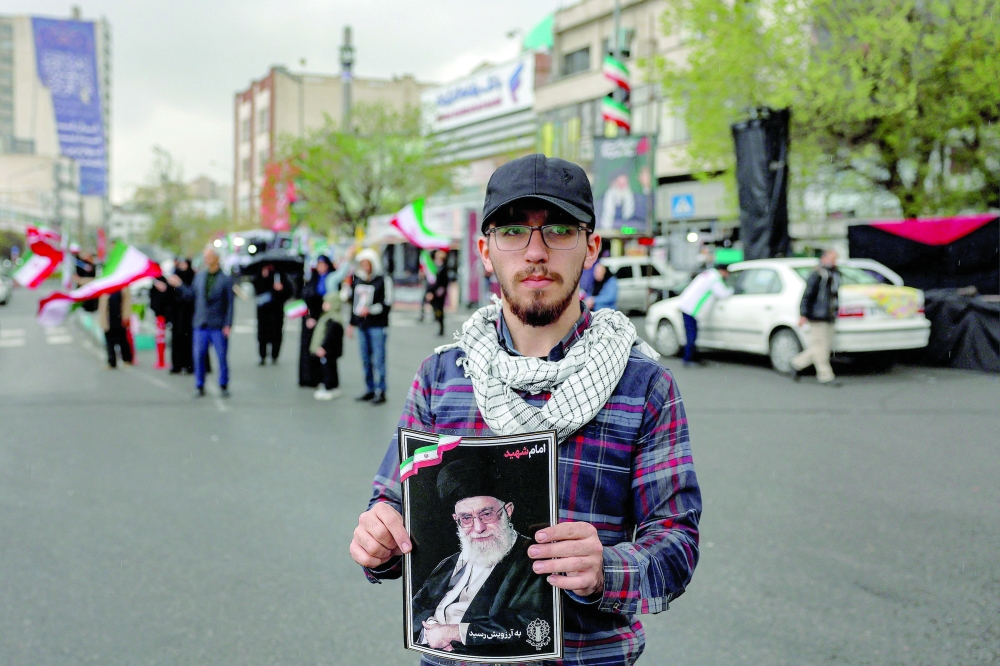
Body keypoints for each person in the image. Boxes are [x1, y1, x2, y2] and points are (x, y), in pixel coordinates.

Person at [349, 154, 701, 666]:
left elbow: (677, 541)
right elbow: (393, 507)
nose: (536, 252)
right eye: (513, 231)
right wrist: (377, 537)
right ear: (486, 252)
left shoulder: (644, 385)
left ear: (591, 247)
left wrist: (608, 567)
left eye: (559, 229)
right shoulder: (442, 377)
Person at [410, 458, 548, 658]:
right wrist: (432, 629)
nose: (478, 528)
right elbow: (416, 607)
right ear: (456, 520)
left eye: (487, 514)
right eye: (466, 518)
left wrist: (453, 633)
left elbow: (529, 626)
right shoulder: (450, 563)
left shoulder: (533, 558)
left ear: (508, 511)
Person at [167, 246, 234, 398]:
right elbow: (191, 295)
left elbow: (229, 304)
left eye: (209, 256)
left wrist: (228, 324)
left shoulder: (225, 279)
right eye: (205, 256)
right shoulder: (200, 276)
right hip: (200, 323)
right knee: (198, 356)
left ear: (216, 258)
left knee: (222, 357)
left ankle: (223, 384)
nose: (206, 259)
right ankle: (199, 384)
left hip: (218, 325)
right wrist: (179, 285)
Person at [347, 248, 393, 405]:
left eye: (368, 264)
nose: (366, 267)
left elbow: (387, 304)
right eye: (363, 264)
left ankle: (381, 390)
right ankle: (369, 388)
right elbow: (354, 303)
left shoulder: (383, 280)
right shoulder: (358, 280)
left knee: (379, 359)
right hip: (362, 325)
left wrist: (371, 310)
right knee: (365, 359)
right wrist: (352, 323)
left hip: (377, 325)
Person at [790, 249, 842, 386]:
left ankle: (797, 363)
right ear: (823, 258)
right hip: (818, 316)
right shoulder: (818, 274)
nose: (834, 261)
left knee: (822, 347)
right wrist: (803, 314)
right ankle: (825, 376)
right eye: (832, 258)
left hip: (829, 315)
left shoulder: (834, 274)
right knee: (820, 347)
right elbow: (807, 295)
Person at [676, 264, 733, 366]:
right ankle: (688, 359)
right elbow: (722, 293)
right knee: (692, 334)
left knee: (691, 333)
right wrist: (732, 290)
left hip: (686, 305)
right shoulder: (715, 278)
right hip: (691, 308)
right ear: (722, 271)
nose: (727, 276)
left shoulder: (708, 274)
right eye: (727, 273)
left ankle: (692, 357)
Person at [308, 289, 345, 400]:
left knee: (327, 369)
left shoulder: (332, 320)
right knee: (331, 368)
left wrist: (323, 347)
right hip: (330, 350)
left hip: (327, 350)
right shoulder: (329, 317)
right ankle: (333, 386)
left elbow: (329, 336)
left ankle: (328, 387)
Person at [253, 264, 290, 366]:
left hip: (276, 310)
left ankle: (274, 355)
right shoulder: (259, 275)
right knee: (262, 335)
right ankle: (262, 355)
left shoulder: (280, 276)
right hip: (263, 312)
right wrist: (264, 278)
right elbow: (257, 289)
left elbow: (289, 291)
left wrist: (281, 289)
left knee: (276, 334)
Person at [98, 287, 132, 369]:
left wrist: (126, 317)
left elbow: (127, 303)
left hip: (120, 319)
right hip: (108, 320)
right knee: (109, 342)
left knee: (123, 340)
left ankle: (126, 359)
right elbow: (102, 306)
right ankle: (112, 362)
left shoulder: (123, 288)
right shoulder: (104, 289)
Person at [424, 249, 450, 337]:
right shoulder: (436, 266)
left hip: (439, 293)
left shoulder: (443, 268)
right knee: (436, 309)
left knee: (439, 310)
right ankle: (439, 324)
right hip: (436, 292)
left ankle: (441, 328)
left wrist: (434, 292)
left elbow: (442, 282)